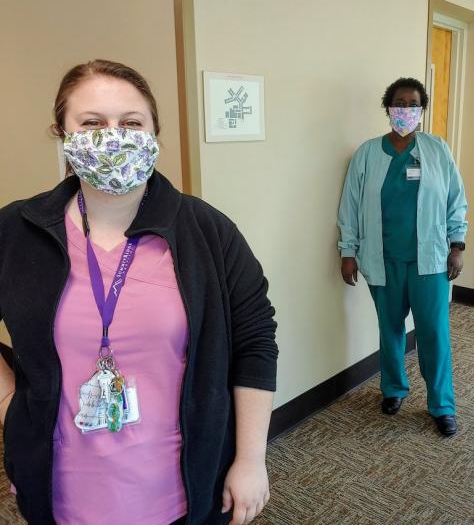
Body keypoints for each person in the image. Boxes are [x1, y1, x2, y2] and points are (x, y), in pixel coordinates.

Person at [0, 60, 279, 525]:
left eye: (131, 122)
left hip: (181, 486)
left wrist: (250, 460)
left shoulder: (207, 230)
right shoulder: (16, 229)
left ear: (154, 133)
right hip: (62, 487)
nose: (114, 135)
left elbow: (255, 342)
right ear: (63, 134)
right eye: (92, 123)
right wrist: (11, 406)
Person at [337, 77, 468, 436]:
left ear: (421, 110)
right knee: (390, 329)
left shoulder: (437, 150)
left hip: (430, 262)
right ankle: (393, 390)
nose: (405, 110)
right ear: (388, 108)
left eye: (413, 104)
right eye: (399, 103)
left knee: (433, 334)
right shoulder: (367, 153)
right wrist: (348, 251)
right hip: (383, 259)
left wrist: (457, 244)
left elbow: (455, 199)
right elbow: (350, 205)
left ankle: (442, 404)